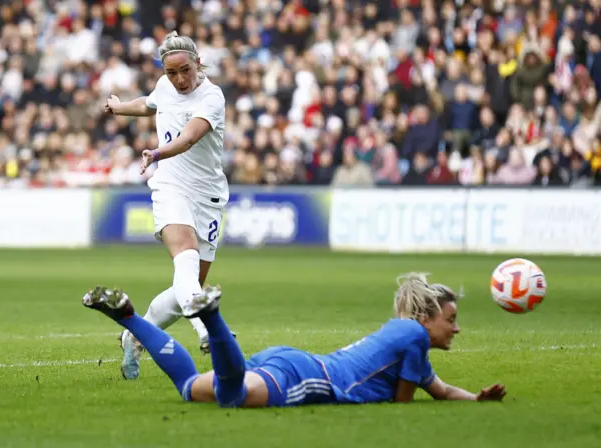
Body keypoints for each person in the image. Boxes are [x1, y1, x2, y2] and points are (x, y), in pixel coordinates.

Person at [81, 273, 507, 407]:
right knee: (230, 397)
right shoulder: (412, 334)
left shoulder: (403, 335)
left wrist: (476, 401)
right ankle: (211, 316)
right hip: (312, 376)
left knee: (192, 389)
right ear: (425, 318)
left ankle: (130, 318)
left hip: (293, 361)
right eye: (450, 320)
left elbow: (441, 389)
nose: (455, 328)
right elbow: (403, 403)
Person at [102, 31, 231, 380]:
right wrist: (118, 107)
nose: (178, 79)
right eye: (171, 73)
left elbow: (189, 137)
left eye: (184, 71)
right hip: (170, 185)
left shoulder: (212, 97)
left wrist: (156, 151)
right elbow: (149, 103)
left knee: (186, 286)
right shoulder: (166, 86)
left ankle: (134, 333)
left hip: (208, 196)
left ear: (198, 63)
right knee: (185, 257)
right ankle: (209, 331)